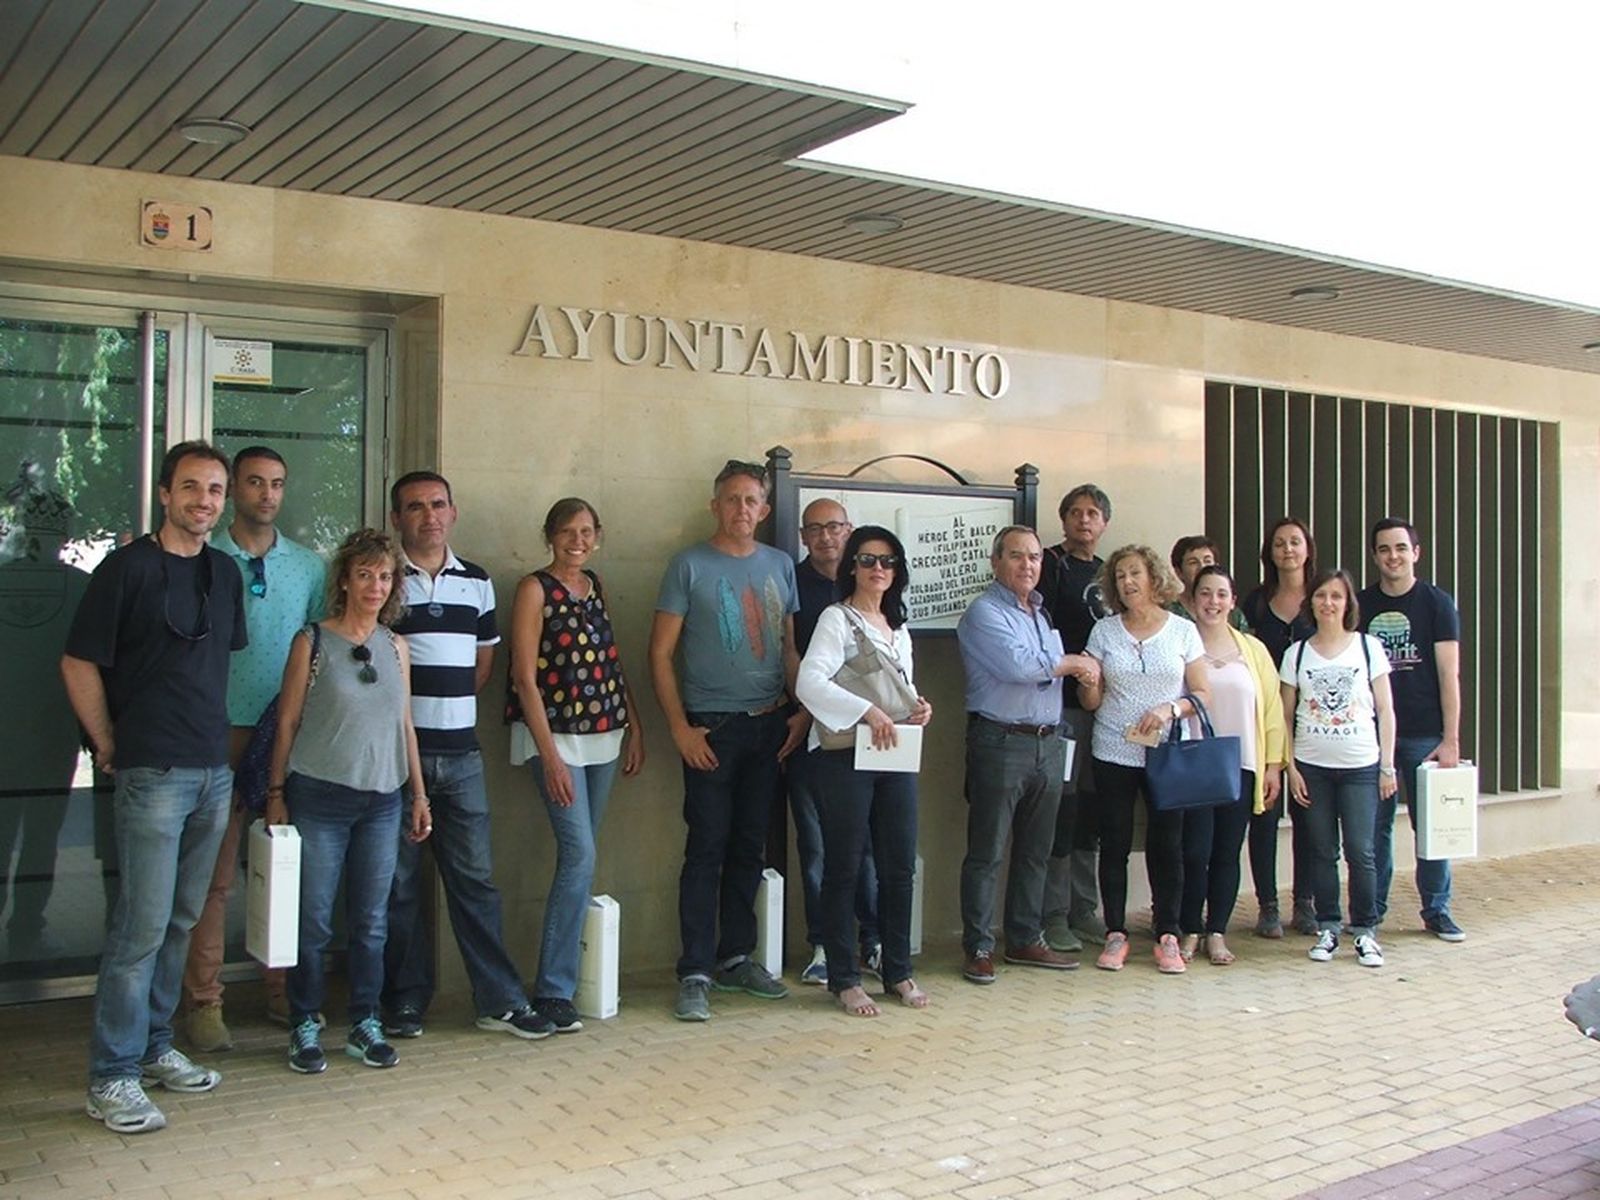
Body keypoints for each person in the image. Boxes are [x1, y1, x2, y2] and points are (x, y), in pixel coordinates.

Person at [62, 440, 246, 1135]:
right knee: (138, 928)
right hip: (151, 773)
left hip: (209, 773)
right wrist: (108, 741)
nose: (205, 501)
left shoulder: (223, 575)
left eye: (215, 490)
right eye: (192, 488)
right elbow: (78, 662)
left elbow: (212, 667)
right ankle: (111, 1077)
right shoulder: (124, 570)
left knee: (178, 920)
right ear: (165, 494)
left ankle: (152, 1047)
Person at [382, 472, 553, 1040]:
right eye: (414, 507)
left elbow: (482, 669)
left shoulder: (477, 582)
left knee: (474, 882)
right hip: (398, 761)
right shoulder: (384, 581)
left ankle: (498, 1000)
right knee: (400, 886)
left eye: (437, 505)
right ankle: (404, 1001)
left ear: (453, 512)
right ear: (396, 518)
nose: (428, 516)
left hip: (461, 757)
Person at [264, 529, 429, 1073]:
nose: (375, 586)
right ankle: (305, 1022)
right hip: (319, 798)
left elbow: (404, 723)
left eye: (384, 576)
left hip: (382, 801)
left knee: (372, 920)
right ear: (344, 580)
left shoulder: (396, 646)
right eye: (364, 574)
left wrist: (418, 794)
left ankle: (364, 1021)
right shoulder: (312, 642)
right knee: (313, 919)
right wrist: (276, 791)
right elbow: (286, 722)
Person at [649, 459, 807, 1022]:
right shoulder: (688, 564)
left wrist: (801, 712)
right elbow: (660, 654)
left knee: (750, 848)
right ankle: (694, 969)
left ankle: (736, 957)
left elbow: (788, 649)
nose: (743, 510)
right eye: (732, 500)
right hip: (710, 730)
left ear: (765, 511)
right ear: (715, 506)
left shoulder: (780, 564)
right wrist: (678, 728)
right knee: (706, 847)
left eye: (751, 501)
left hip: (770, 726)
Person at [182, 446, 326, 1051]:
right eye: (255, 483)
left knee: (281, 868)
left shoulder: (309, 567)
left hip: (282, 734)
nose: (267, 494)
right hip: (212, 730)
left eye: (277, 484)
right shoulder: (203, 558)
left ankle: (279, 989)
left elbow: (319, 649)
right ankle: (203, 1002)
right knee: (213, 879)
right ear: (234, 489)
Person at [507, 498, 645, 1034]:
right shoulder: (534, 589)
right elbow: (523, 676)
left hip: (605, 736)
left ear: (598, 535)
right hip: (557, 739)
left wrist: (633, 725)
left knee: (584, 857)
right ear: (549, 535)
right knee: (578, 853)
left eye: (586, 531)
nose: (577, 540)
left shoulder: (597, 584)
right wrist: (550, 755)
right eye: (567, 532)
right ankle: (553, 990)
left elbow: (611, 659)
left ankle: (577, 979)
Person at [795, 526, 933, 1016]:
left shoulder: (900, 629)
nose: (880, 569)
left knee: (898, 866)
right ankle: (844, 977)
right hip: (845, 756)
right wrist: (865, 711)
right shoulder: (837, 619)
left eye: (889, 562)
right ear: (852, 565)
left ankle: (897, 970)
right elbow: (808, 682)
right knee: (845, 866)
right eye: (870, 560)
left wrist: (918, 709)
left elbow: (902, 691)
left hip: (893, 753)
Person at [957, 525, 1093, 984]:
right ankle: (978, 945)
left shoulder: (1040, 614)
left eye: (1034, 557)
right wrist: (1075, 663)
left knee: (1036, 851)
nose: (1027, 565)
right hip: (1001, 742)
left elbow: (1045, 674)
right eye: (1017, 556)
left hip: (1048, 743)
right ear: (996, 562)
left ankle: (1024, 938)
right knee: (987, 851)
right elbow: (1019, 667)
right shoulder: (983, 612)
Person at [1080, 544, 1208, 974]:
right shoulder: (1104, 632)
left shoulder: (1183, 631)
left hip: (1167, 750)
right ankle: (1115, 932)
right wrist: (1088, 683)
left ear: (1154, 578)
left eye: (1135, 573)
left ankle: (1167, 934)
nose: (1128, 583)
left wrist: (1169, 709)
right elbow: (1092, 701)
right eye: (1119, 577)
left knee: (1166, 843)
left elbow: (1202, 693)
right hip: (1113, 748)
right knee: (1113, 841)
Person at [1281, 569, 1397, 969]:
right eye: (1321, 596)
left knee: (1361, 852)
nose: (1328, 603)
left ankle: (1365, 930)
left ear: (1348, 604)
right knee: (1322, 851)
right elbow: (1285, 714)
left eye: (1336, 596)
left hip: (1361, 766)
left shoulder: (1368, 648)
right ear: (1310, 602)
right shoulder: (1296, 654)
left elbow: (1385, 710)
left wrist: (1387, 766)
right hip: (1312, 767)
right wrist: (1290, 767)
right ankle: (1328, 926)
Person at [1358, 517, 1465, 941]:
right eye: (1384, 549)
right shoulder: (1360, 605)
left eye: (1401, 548)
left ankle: (1437, 910)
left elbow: (1448, 675)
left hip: (1425, 735)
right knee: (1374, 829)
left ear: (1416, 553)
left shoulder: (1437, 604)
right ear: (1374, 557)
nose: (1393, 556)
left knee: (1432, 827)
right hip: (1371, 735)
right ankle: (1371, 912)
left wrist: (1450, 739)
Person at [789, 497, 880, 987]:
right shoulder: (793, 586)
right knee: (818, 845)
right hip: (811, 738)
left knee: (866, 844)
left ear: (850, 531)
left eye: (836, 527)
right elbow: (790, 657)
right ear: (803, 537)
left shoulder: (866, 582)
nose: (827, 537)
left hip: (871, 736)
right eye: (816, 529)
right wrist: (805, 714)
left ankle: (873, 941)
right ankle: (824, 944)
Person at [1178, 566, 1286, 965]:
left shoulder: (1252, 650)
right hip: (1195, 764)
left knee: (1226, 851)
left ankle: (1217, 932)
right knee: (1194, 851)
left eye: (1221, 594)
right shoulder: (1181, 642)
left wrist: (1273, 765)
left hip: (1240, 765)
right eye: (1205, 593)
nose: (1213, 602)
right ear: (1192, 599)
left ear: (1233, 601)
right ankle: (1190, 928)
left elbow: (1272, 710)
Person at [1038, 484, 1113, 952]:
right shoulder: (1048, 565)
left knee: (1089, 811)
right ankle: (1053, 913)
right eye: (1076, 513)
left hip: (1103, 711)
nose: (1084, 521)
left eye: (1093, 514)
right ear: (1064, 519)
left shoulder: (1110, 574)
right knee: (1060, 811)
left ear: (1104, 523)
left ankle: (1085, 909)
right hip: (1059, 708)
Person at [1238, 517, 1318, 938]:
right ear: (1270, 552)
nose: (1288, 549)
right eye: (1280, 543)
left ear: (1308, 549)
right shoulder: (1255, 602)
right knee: (1264, 813)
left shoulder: (1323, 597)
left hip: (1314, 723)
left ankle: (1304, 902)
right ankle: (1267, 904)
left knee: (1308, 816)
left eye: (1295, 542)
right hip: (1264, 720)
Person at [1166, 535, 1248, 629]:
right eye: (1193, 562)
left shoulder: (1233, 615)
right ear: (1179, 572)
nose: (1202, 567)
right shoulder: (1167, 612)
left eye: (1207, 561)